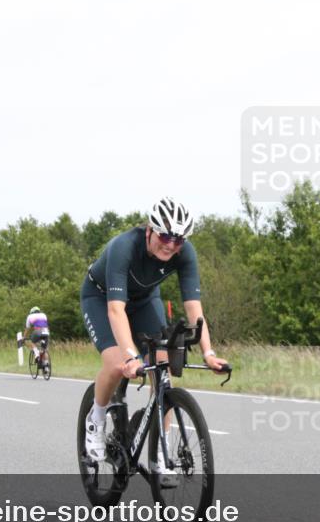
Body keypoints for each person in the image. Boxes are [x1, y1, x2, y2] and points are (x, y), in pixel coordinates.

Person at [80, 198, 227, 484]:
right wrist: (131, 356)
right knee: (115, 364)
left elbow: (194, 309)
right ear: (150, 230)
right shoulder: (124, 247)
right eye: (165, 236)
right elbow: (115, 310)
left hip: (145, 301)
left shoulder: (185, 254)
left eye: (179, 240)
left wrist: (208, 352)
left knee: (163, 365)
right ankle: (95, 420)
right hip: (101, 299)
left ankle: (160, 455)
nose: (171, 245)